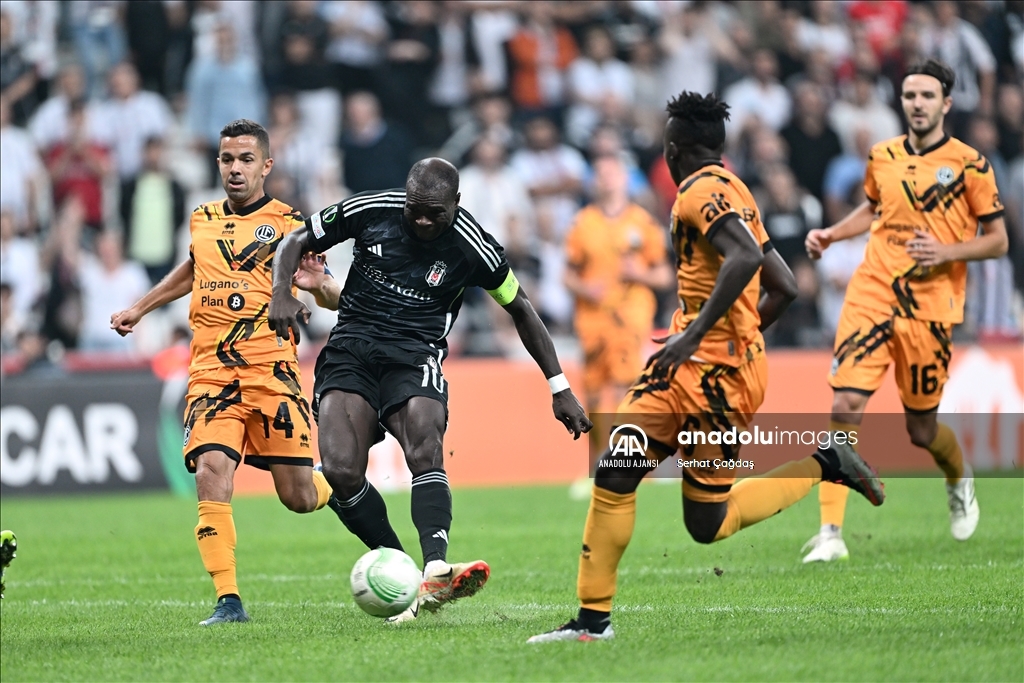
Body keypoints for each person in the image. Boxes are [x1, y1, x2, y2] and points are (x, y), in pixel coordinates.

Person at [528, 92, 885, 643]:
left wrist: (700, 337)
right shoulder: (736, 189)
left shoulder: (699, 193)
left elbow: (746, 256)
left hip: (718, 382)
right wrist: (729, 336)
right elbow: (785, 286)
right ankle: (592, 623)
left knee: (707, 523)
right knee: (616, 469)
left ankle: (825, 463)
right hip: (685, 370)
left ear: (674, 151)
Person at [268, 157, 593, 623]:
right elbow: (296, 239)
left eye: (434, 213)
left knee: (424, 443)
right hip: (351, 350)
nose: (421, 220)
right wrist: (282, 291)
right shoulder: (372, 210)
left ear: (456, 204)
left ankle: (436, 566)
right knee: (340, 470)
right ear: (405, 196)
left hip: (414, 354)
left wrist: (558, 386)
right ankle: (406, 575)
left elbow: (520, 307)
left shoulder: (474, 246)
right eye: (414, 209)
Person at [109, 119, 338, 626]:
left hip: (272, 373)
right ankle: (228, 600)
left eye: (246, 160)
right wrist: (140, 308)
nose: (235, 168)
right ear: (217, 163)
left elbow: (325, 289)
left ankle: (330, 483)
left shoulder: (292, 224)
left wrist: (319, 291)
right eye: (228, 159)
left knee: (299, 497)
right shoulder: (203, 218)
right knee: (212, 470)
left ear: (266, 166)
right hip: (212, 373)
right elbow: (194, 269)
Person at [802, 59, 1008, 563]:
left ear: (946, 104)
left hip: (931, 309)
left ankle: (958, 474)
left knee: (921, 431)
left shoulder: (971, 165)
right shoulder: (883, 155)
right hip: (872, 293)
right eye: (910, 95)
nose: (917, 103)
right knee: (844, 405)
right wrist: (833, 234)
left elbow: (999, 240)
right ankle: (830, 532)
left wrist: (946, 252)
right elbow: (873, 208)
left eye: (927, 96)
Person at [563, 154, 672, 492]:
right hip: (592, 319)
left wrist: (640, 274)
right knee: (594, 393)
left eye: (612, 172)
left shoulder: (643, 222)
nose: (606, 179)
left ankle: (636, 466)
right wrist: (585, 288)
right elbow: (567, 274)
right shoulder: (583, 223)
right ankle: (598, 465)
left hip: (630, 316)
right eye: (600, 173)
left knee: (629, 389)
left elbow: (665, 275)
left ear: (625, 178)